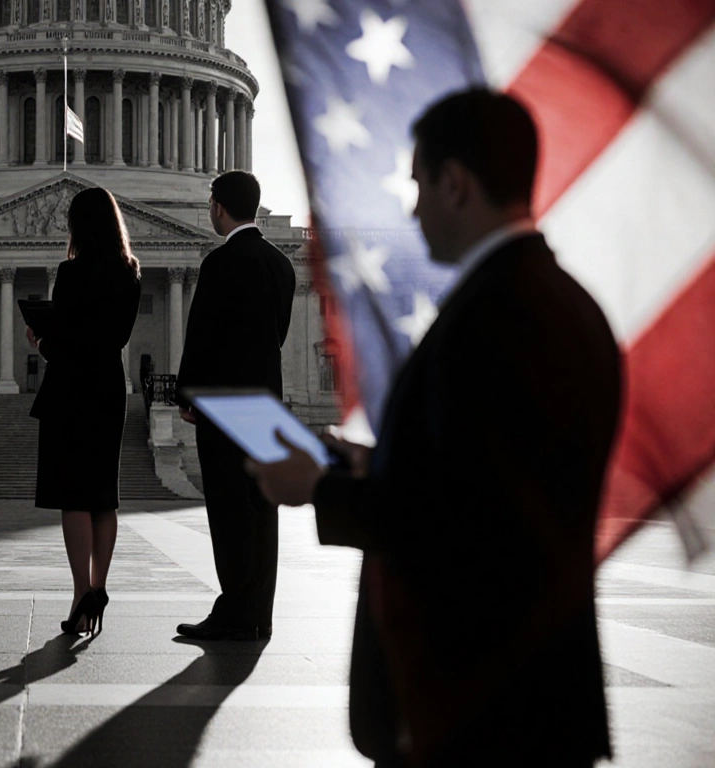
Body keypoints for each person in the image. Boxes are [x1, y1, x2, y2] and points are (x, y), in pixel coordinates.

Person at [247, 88, 619, 767]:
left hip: (484, 700)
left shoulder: (498, 316)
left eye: (418, 183)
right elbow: (487, 476)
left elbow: (469, 525)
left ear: (456, 183)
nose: (413, 209)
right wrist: (372, 463)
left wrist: (321, 489)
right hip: (520, 691)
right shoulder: (559, 302)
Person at [174, 170, 296, 642]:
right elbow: (279, 335)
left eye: (211, 205)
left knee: (228, 511)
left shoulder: (221, 263)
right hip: (265, 402)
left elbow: (201, 336)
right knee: (262, 511)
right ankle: (259, 611)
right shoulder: (280, 264)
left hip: (225, 405)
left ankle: (234, 610)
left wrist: (188, 395)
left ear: (219, 208)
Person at [27, 187, 141, 637]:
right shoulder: (131, 272)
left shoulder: (70, 273)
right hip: (110, 389)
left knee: (73, 495)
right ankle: (100, 585)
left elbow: (69, 339)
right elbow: (111, 339)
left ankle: (80, 594)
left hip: (71, 389)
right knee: (103, 495)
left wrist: (42, 343)